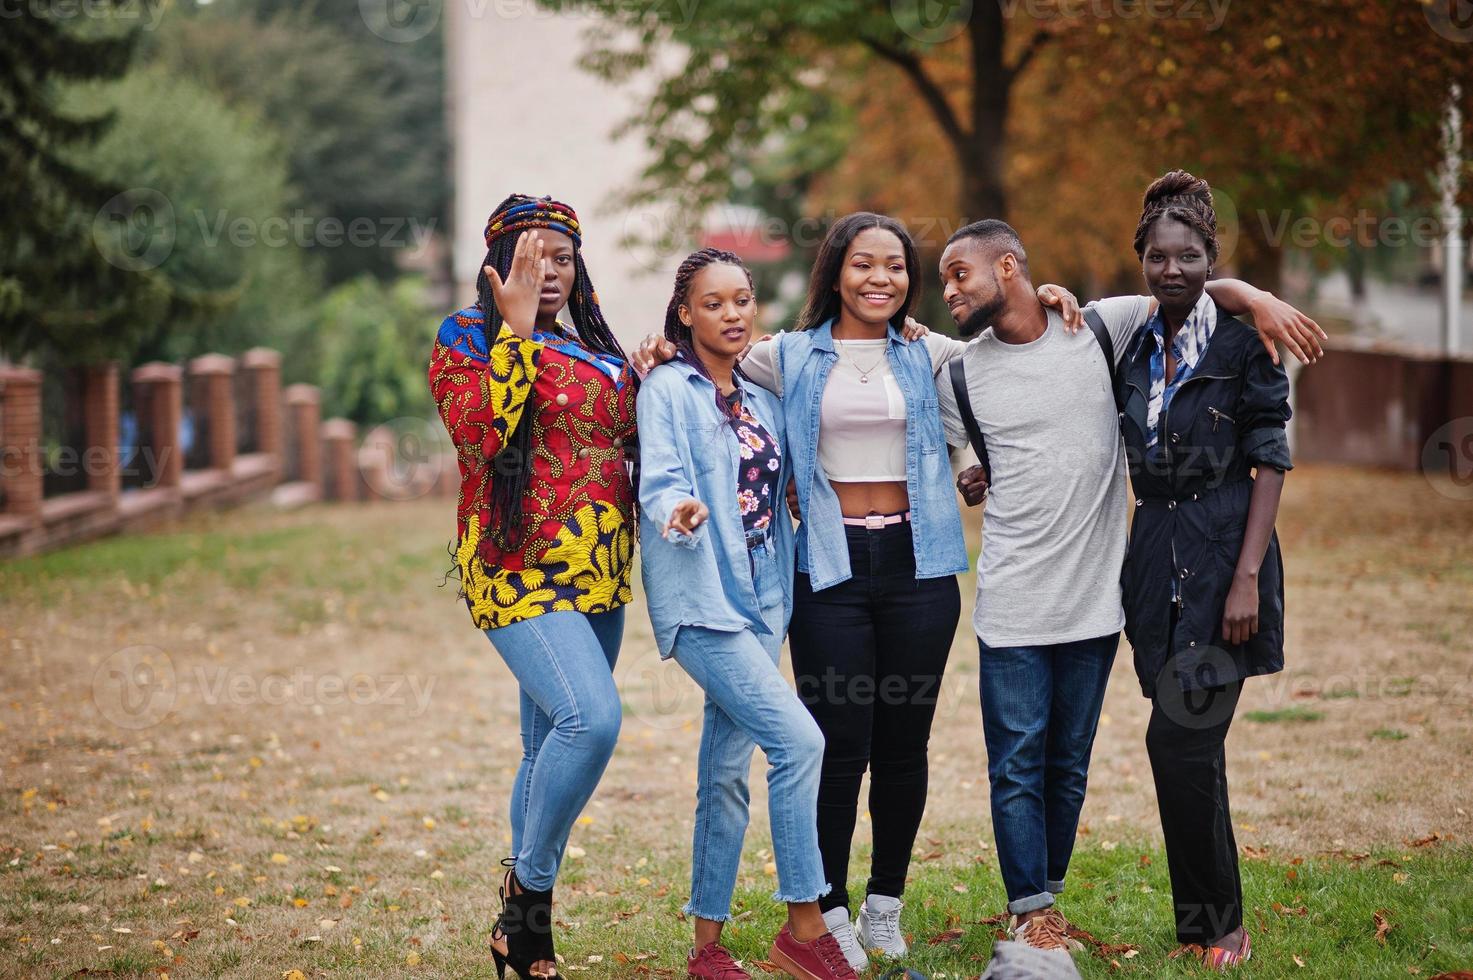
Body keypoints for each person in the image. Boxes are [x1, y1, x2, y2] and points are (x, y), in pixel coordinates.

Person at [634, 212, 1083, 972]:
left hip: (919, 562)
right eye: (863, 264)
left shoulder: (927, 351)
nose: (880, 278)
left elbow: (1006, 340)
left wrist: (1040, 292)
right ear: (835, 272)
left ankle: (883, 906)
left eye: (896, 266)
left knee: (904, 745)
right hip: (828, 569)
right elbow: (711, 353)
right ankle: (828, 909)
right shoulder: (787, 356)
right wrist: (657, 347)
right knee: (834, 746)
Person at [932, 217, 1321, 958]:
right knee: (1016, 761)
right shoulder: (955, 368)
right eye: (945, 276)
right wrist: (965, 471)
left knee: (1070, 762)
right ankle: (1031, 910)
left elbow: (1181, 289)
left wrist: (1258, 298)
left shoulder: (1100, 330)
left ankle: (1112, 909)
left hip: (1093, 601)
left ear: (1008, 266)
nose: (948, 287)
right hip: (1013, 597)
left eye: (960, 272)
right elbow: (950, 437)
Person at [427, 195, 634, 980]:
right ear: (497, 263)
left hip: (600, 572)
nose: (547, 272)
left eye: (562, 257)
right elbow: (480, 434)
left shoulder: (593, 346)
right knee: (591, 719)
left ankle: (517, 943)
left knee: (546, 742)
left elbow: (632, 435)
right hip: (515, 566)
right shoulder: (468, 336)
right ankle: (528, 898)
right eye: (530, 256)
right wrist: (512, 333)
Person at [638, 247, 858, 980]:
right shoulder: (666, 387)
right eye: (712, 303)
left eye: (741, 300)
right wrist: (679, 510)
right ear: (684, 313)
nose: (731, 314)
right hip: (702, 598)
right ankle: (803, 928)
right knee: (799, 743)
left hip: (767, 598)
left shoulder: (762, 397)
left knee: (726, 770)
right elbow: (661, 474)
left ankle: (706, 950)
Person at [1117, 171, 1294, 969]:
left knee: (1178, 742)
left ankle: (1222, 927)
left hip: (1226, 554)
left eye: (1187, 257)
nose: (1171, 270)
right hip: (1154, 559)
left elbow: (1269, 457)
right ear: (1141, 261)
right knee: (1192, 745)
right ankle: (1201, 924)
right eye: (1157, 257)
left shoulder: (1240, 341)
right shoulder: (1126, 343)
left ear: (1208, 259)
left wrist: (1248, 575)